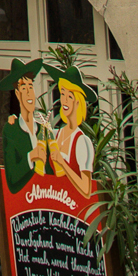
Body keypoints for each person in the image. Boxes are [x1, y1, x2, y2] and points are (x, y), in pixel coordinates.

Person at [0, 57, 52, 192]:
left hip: (49, 200)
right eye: (24, 87)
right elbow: (11, 180)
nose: (29, 93)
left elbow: (53, 173)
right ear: (17, 93)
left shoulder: (43, 130)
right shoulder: (11, 130)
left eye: (31, 87)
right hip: (25, 204)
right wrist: (31, 156)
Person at [46, 76, 96, 211]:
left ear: (78, 103)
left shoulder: (81, 141)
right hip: (57, 205)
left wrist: (62, 163)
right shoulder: (57, 134)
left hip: (76, 211)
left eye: (70, 96)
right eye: (63, 94)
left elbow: (86, 189)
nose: (65, 100)